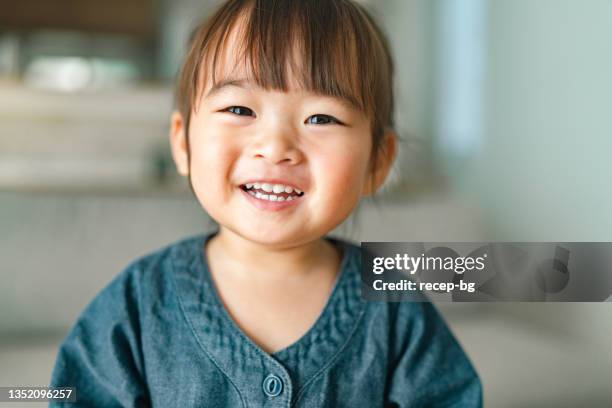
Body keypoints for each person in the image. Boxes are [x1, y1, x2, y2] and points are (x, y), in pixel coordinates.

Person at [49, 0, 482, 406]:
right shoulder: (139, 303)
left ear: (378, 162)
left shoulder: (395, 306)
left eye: (321, 118)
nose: (275, 148)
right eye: (239, 109)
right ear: (183, 143)